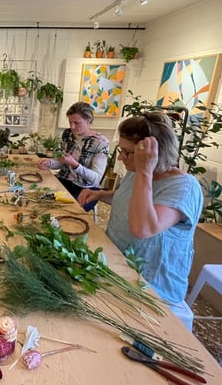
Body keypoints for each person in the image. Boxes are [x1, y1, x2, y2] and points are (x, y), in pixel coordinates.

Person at [77, 112, 203, 304]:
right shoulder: (137, 172)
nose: (120, 158)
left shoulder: (184, 188)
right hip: (115, 267)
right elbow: (132, 200)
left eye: (127, 152)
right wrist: (101, 194)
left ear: (153, 154)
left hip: (150, 288)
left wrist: (145, 169)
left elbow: (143, 228)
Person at [38, 101, 109, 210]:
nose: (72, 127)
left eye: (77, 123)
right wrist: (50, 163)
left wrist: (75, 165)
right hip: (64, 180)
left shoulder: (100, 142)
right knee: (39, 200)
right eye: (70, 122)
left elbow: (96, 179)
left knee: (66, 211)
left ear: (89, 121)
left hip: (86, 189)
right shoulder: (67, 135)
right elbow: (62, 161)